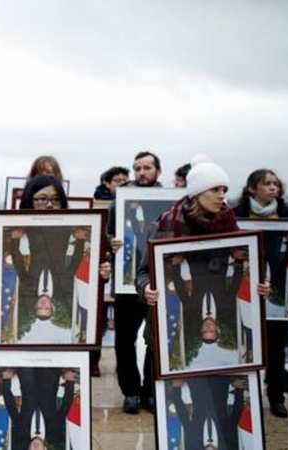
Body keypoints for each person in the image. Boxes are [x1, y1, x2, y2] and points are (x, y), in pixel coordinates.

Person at [135, 155, 269, 401]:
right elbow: (142, 274)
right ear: (198, 192)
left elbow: (246, 273)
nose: (222, 196)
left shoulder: (231, 228)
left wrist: (259, 287)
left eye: (224, 190)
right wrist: (146, 290)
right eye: (215, 189)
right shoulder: (166, 225)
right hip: (163, 330)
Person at [0, 176, 111, 343]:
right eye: (42, 199)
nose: (49, 204)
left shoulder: (72, 227)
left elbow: (18, 261)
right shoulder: (15, 228)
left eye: (56, 199)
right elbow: (76, 261)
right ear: (28, 200)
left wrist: (103, 274)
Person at [233, 168, 288, 417]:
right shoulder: (236, 215)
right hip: (244, 286)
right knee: (244, 344)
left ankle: (276, 396)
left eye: (275, 184)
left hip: (277, 291)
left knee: (276, 346)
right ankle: (242, 398)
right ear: (252, 188)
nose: (273, 188)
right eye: (267, 184)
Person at [106, 151, 164, 414]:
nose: (142, 172)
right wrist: (111, 243)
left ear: (158, 172)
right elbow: (107, 236)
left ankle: (150, 392)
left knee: (154, 340)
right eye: (138, 168)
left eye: (147, 167)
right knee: (124, 340)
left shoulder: (170, 203)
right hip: (126, 283)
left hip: (154, 283)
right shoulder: (119, 203)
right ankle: (130, 391)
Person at [1, 367, 77, 449]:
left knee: (27, 368)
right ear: (45, 449)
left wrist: (6, 380)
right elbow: (65, 406)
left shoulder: (21, 430)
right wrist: (70, 381)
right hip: (50, 379)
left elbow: (11, 407)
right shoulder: (54, 432)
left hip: (27, 381)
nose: (36, 448)